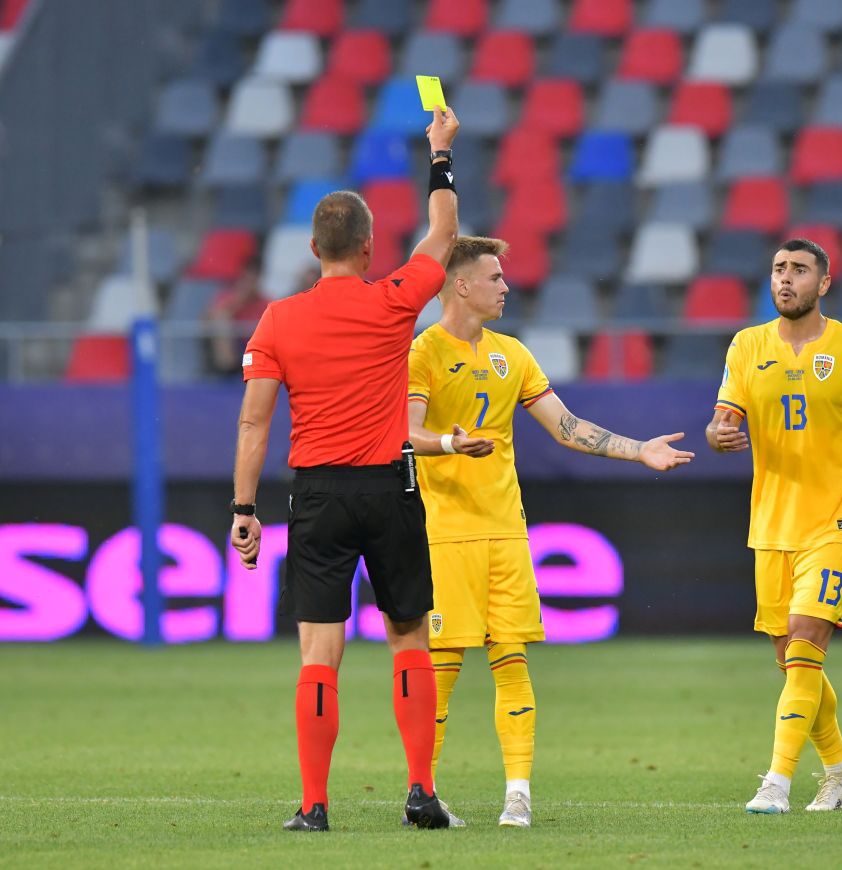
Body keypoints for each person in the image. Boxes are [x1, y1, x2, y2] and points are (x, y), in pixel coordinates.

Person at [405, 235, 695, 827]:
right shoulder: (422, 352)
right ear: (461, 284)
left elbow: (566, 426)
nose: (505, 286)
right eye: (494, 277)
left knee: (512, 659)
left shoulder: (512, 354)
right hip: (445, 532)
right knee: (443, 667)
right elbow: (405, 433)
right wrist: (451, 444)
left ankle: (518, 795)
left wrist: (639, 449)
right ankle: (422, 795)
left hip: (506, 531)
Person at [230, 107, 461, 832]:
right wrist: (440, 154)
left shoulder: (277, 320)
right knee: (409, 638)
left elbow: (254, 422)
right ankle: (420, 793)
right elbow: (444, 236)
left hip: (319, 494)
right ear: (368, 247)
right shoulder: (393, 302)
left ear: (312, 248)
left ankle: (314, 805)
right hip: (389, 486)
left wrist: (244, 510)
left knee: (319, 652)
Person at [705, 238, 842, 815]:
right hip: (771, 525)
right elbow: (722, 421)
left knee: (803, 645)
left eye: (799, 270)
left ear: (823, 283)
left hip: (834, 521)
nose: (786, 278)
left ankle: (776, 782)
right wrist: (717, 436)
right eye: (779, 268)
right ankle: (840, 771)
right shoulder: (747, 345)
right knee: (794, 661)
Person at [206, 263, 269, 376]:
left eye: (252, 280)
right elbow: (209, 318)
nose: (249, 283)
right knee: (221, 320)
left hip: (256, 350)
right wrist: (239, 300)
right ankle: (227, 370)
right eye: (246, 279)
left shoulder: (265, 301)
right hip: (234, 347)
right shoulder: (226, 297)